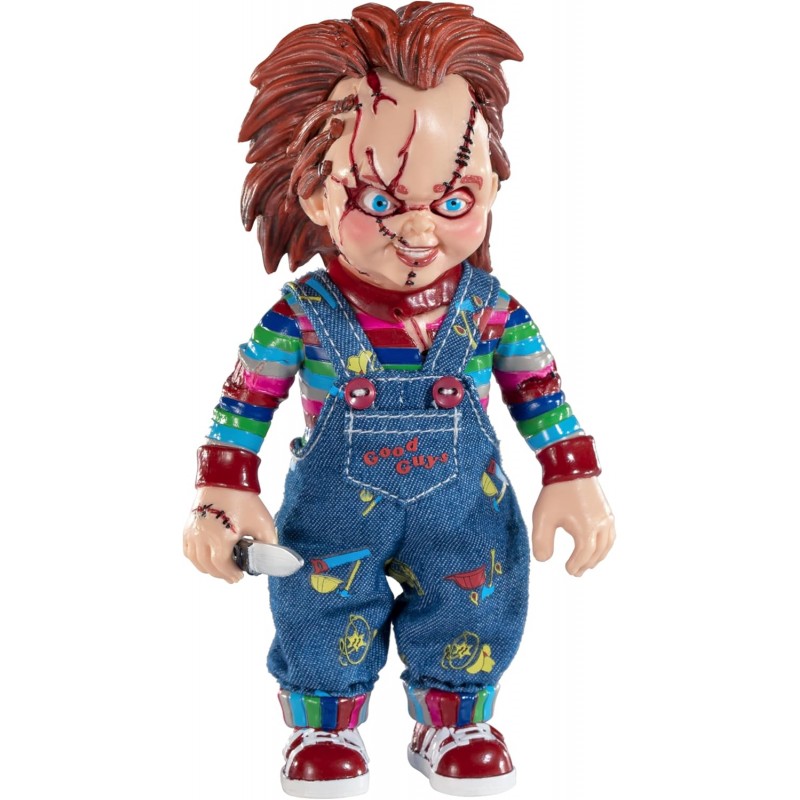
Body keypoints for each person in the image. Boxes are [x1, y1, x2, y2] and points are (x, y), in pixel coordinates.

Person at [183, 4, 615, 797]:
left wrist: (571, 472)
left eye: (452, 202)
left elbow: (539, 390)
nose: (418, 232)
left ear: (491, 189)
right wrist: (224, 489)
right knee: (320, 609)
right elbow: (243, 403)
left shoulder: (491, 311)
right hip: (333, 516)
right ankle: (324, 726)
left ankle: (454, 722)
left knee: (472, 605)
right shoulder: (300, 316)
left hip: (464, 513)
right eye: (379, 203)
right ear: (317, 195)